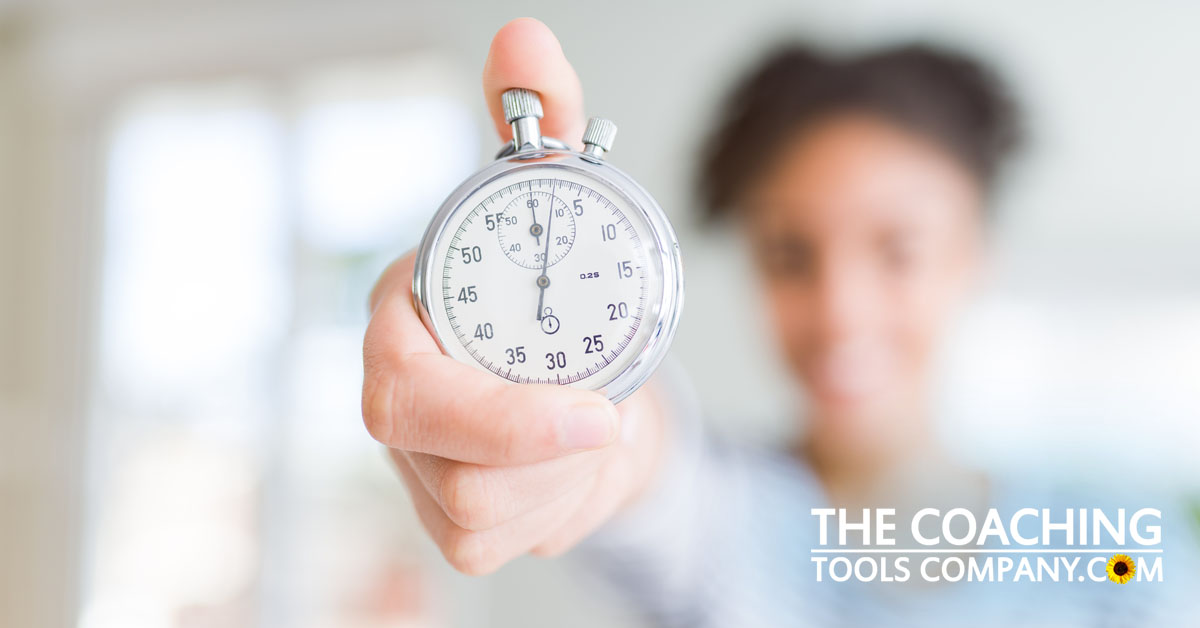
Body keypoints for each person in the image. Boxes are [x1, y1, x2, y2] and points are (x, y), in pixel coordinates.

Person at [362, 18, 1193, 627]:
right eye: (791, 254)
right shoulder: (724, 522)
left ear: (976, 256)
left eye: (898, 249)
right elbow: (648, 467)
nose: (840, 310)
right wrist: (582, 432)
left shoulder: (1117, 548)